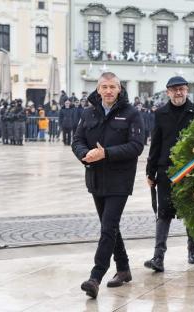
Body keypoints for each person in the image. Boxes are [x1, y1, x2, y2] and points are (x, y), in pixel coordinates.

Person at [72, 72, 144, 298]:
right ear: (98, 89)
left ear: (119, 89)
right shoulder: (88, 112)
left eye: (113, 86)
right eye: (104, 87)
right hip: (95, 179)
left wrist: (106, 154)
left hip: (119, 180)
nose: (108, 91)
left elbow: (136, 146)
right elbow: (77, 141)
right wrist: (86, 154)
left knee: (107, 227)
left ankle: (95, 277)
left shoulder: (132, 114)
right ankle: (123, 269)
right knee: (110, 226)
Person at [145, 76, 194, 273]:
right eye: (174, 90)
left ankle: (192, 250)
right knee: (164, 213)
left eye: (181, 89)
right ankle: (158, 256)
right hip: (165, 171)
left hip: (191, 171)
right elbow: (156, 143)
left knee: (190, 211)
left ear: (187, 90)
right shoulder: (161, 113)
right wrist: (150, 171)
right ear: (167, 92)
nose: (178, 93)